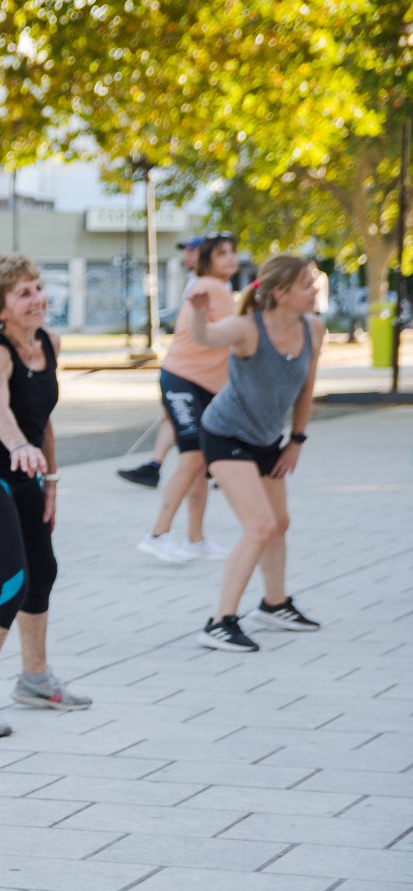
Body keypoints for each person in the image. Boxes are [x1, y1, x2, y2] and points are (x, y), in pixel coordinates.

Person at [0, 253, 92, 738]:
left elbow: (42, 416)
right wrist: (17, 446)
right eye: (24, 293)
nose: (38, 299)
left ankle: (35, 679)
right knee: (9, 580)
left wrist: (50, 480)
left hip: (27, 472)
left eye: (38, 288)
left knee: (43, 573)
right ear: (1, 308)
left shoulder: (49, 343)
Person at [187, 255, 324, 652]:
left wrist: (296, 441)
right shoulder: (248, 329)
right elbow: (206, 336)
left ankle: (274, 605)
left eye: (314, 283)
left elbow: (306, 387)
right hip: (224, 434)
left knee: (279, 523)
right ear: (280, 294)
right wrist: (198, 314)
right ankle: (219, 622)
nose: (314, 290)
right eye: (306, 285)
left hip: (268, 441)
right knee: (261, 526)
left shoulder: (314, 328)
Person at [137, 233, 240, 563]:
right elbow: (236, 334)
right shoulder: (213, 288)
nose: (230, 258)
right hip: (184, 379)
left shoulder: (211, 288)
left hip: (202, 385)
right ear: (207, 260)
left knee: (199, 464)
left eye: (233, 253)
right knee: (193, 457)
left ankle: (195, 539)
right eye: (222, 254)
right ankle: (157, 534)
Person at [119, 235, 206, 487]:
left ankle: (221, 464)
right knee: (172, 413)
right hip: (186, 363)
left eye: (193, 252)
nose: (187, 256)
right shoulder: (194, 281)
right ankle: (155, 466)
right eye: (186, 251)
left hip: (198, 366)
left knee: (197, 420)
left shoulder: (208, 284)